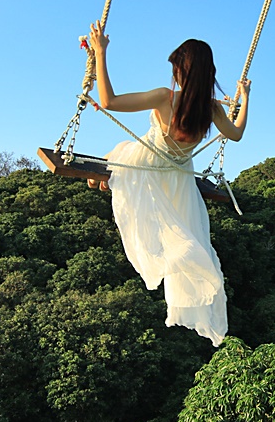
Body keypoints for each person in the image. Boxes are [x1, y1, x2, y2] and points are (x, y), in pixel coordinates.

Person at [85, 20, 250, 346]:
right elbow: (237, 134)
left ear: (182, 73)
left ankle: (102, 182)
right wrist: (245, 100)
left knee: (108, 164)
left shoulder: (166, 98)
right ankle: (106, 183)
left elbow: (109, 101)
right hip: (177, 176)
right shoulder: (213, 109)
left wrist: (100, 52)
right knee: (178, 233)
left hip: (148, 164)